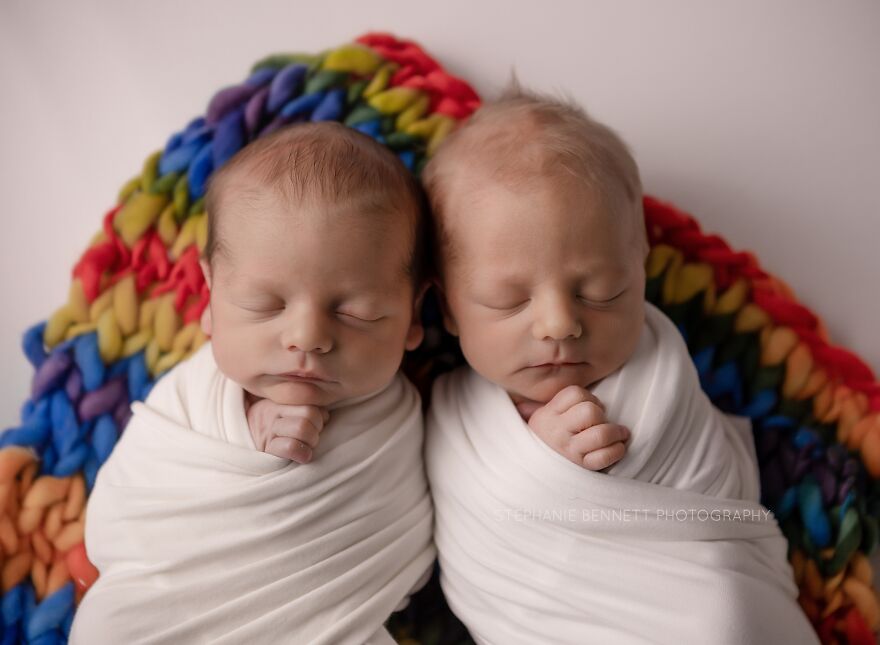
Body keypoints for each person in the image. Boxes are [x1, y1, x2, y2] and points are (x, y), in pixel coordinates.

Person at [421, 84, 819, 644]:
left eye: (603, 291)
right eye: (509, 301)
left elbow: (708, 502)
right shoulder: (448, 414)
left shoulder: (655, 373)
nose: (559, 323)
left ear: (642, 271)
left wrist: (570, 465)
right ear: (447, 308)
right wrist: (541, 466)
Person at [71, 122, 435, 644]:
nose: (307, 337)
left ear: (413, 313)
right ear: (211, 297)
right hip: (165, 614)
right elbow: (134, 498)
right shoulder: (194, 395)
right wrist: (243, 425)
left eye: (356, 312)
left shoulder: (411, 416)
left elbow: (407, 545)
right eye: (266, 305)